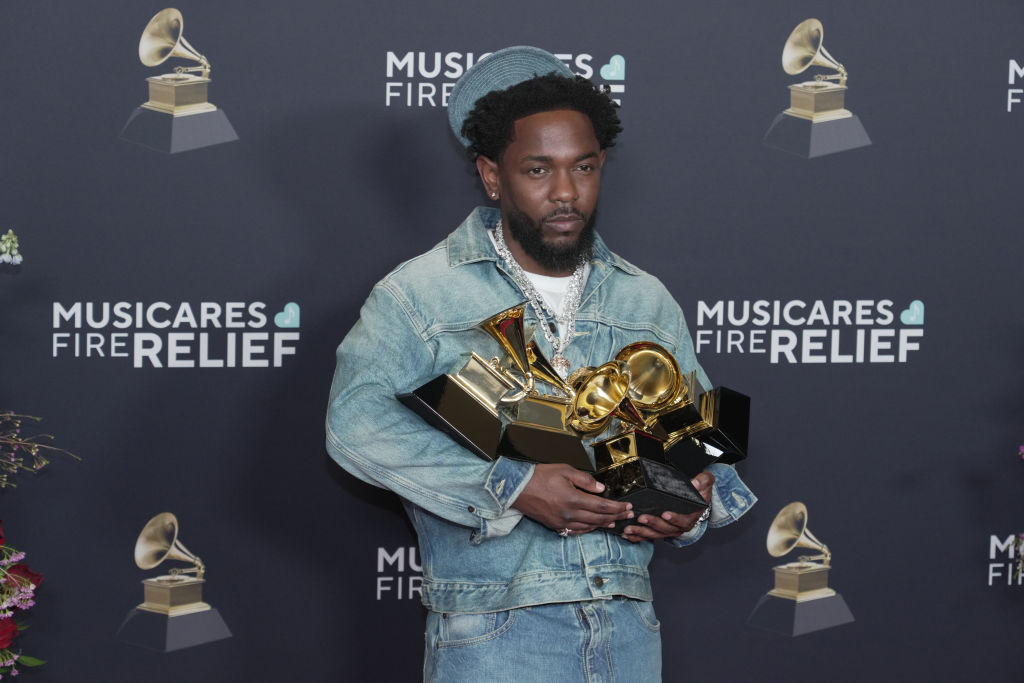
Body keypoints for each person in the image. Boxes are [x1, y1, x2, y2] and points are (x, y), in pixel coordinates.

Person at [326, 46, 755, 682]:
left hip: (628, 627)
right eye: (537, 170)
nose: (565, 193)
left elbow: (693, 445)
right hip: (493, 633)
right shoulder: (419, 295)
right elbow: (355, 427)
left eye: (583, 167)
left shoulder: (645, 299)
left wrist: (691, 501)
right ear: (492, 175)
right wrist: (514, 487)